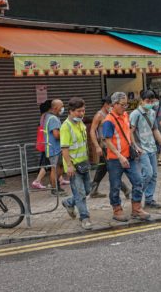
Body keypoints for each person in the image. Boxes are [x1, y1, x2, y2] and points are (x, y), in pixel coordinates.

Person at [103, 92, 150, 222]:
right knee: (115, 186)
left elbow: (128, 133)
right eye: (123, 105)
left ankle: (136, 208)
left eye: (126, 104)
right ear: (114, 104)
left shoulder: (125, 115)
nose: (125, 107)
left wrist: (135, 146)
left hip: (129, 156)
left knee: (138, 180)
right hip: (115, 160)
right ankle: (117, 210)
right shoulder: (108, 120)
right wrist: (119, 157)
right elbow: (107, 141)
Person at [130, 90, 161, 209]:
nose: (150, 103)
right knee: (148, 173)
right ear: (141, 101)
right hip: (142, 149)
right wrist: (135, 146)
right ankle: (137, 195)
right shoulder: (135, 114)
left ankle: (149, 199)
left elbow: (155, 129)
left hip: (152, 147)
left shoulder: (152, 112)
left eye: (152, 101)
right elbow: (130, 132)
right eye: (147, 101)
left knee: (154, 174)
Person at [60, 97, 93, 230]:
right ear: (71, 111)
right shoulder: (65, 127)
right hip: (73, 166)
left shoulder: (80, 124)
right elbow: (64, 148)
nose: (81, 114)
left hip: (84, 164)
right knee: (80, 193)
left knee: (87, 190)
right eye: (79, 111)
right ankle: (84, 218)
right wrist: (69, 165)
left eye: (83, 111)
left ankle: (68, 202)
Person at [89, 95, 130, 199]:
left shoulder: (114, 114)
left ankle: (93, 189)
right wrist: (97, 146)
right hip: (105, 147)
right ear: (106, 104)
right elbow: (92, 131)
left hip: (113, 147)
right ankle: (126, 189)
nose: (112, 106)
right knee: (113, 169)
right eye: (111, 105)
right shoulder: (99, 115)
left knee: (102, 168)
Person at [44, 99, 67, 196]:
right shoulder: (53, 118)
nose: (62, 108)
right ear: (55, 107)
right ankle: (54, 190)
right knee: (54, 168)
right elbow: (56, 135)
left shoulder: (49, 117)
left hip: (55, 148)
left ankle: (57, 187)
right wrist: (67, 134)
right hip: (54, 148)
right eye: (61, 106)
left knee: (59, 168)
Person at [32, 100, 52, 189]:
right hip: (47, 143)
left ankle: (60, 179)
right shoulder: (47, 117)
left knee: (53, 162)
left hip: (44, 143)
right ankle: (37, 181)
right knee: (47, 162)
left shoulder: (43, 116)